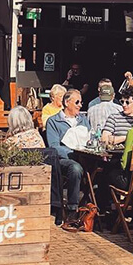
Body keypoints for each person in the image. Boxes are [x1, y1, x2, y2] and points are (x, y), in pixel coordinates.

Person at [45, 89, 90, 231]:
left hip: (86, 157)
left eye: (81, 102)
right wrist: (73, 152)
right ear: (66, 102)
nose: (80, 105)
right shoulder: (54, 121)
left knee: (104, 167)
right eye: (77, 102)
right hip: (65, 159)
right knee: (75, 169)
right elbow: (53, 147)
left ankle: (97, 207)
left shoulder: (83, 120)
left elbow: (91, 138)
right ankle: (72, 210)